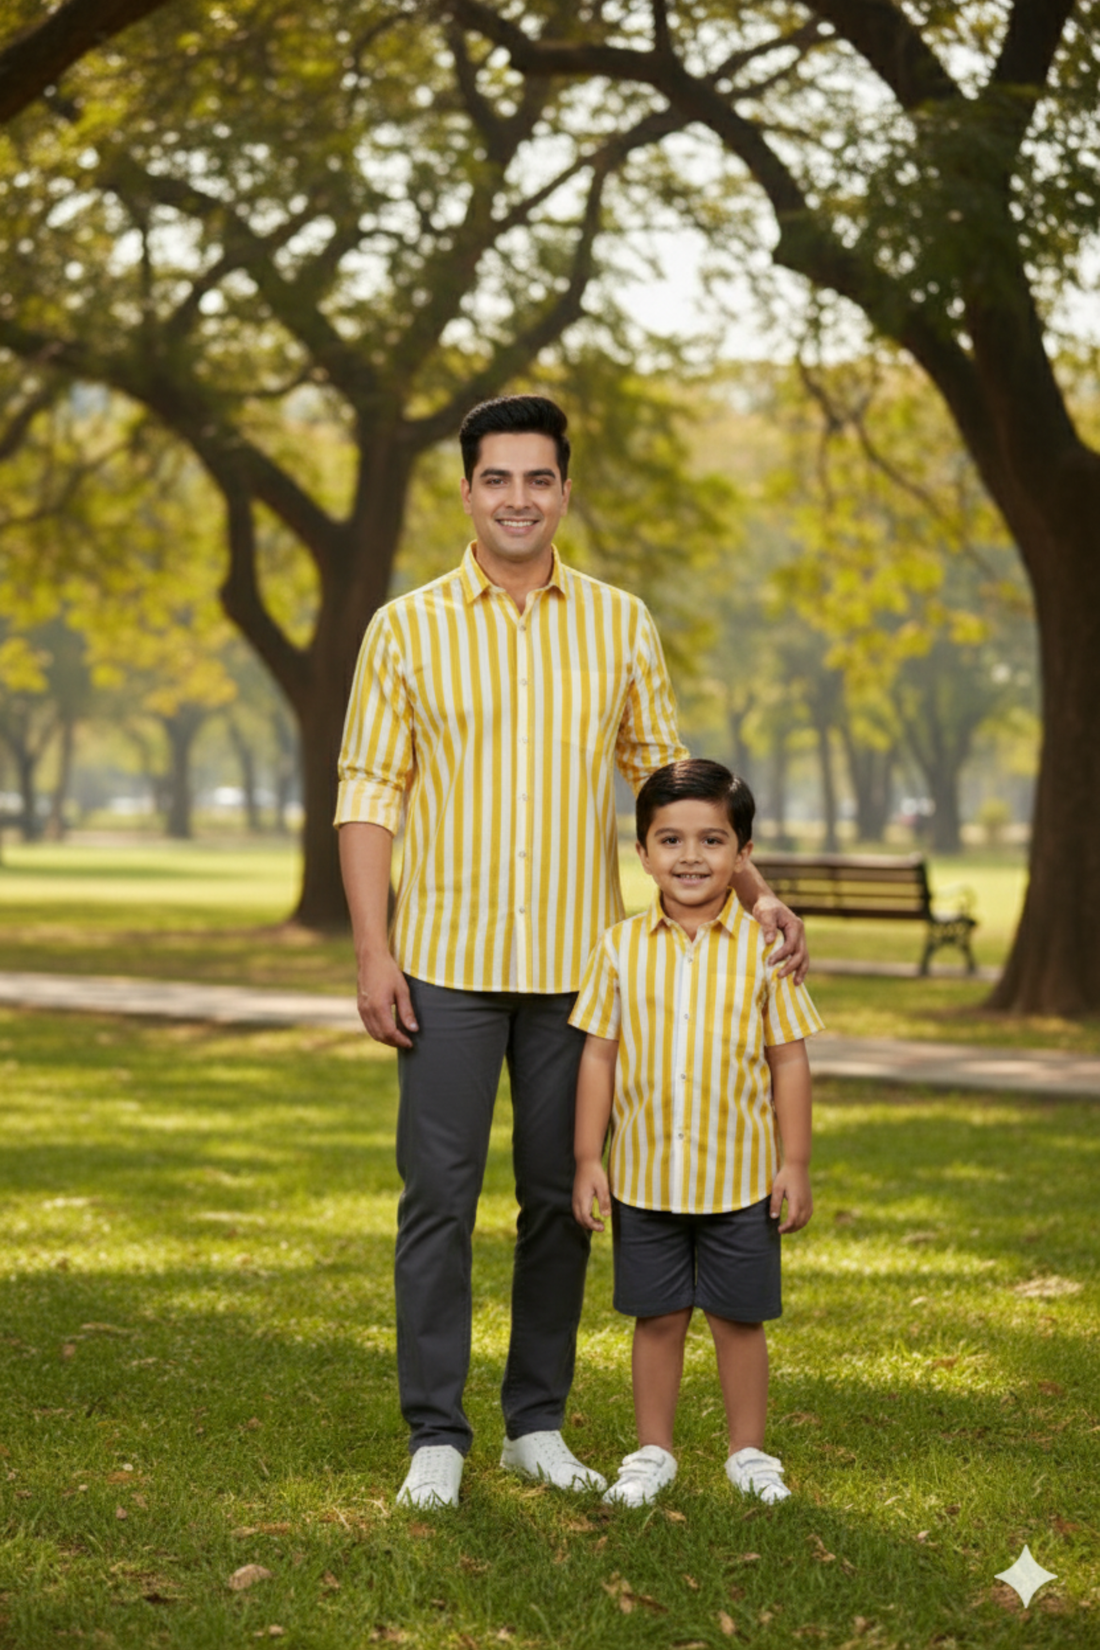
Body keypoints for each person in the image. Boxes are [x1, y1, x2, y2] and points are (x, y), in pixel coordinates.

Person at [335, 396, 808, 1509]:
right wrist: (372, 950)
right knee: (437, 1199)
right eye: (495, 479)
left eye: (536, 479)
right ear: (466, 492)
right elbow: (367, 793)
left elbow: (670, 783)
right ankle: (436, 1437)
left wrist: (757, 890)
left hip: (577, 978)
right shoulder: (403, 628)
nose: (516, 499)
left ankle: (532, 1423)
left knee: (559, 1198)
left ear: (561, 490)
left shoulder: (616, 622)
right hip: (443, 963)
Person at [570, 758, 822, 1507]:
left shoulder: (765, 953)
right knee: (659, 1317)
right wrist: (590, 1156)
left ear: (743, 855)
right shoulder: (617, 949)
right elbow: (598, 1056)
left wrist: (796, 1163)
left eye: (712, 840)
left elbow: (790, 1062)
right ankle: (653, 1451)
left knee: (740, 1320)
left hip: (741, 1183)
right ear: (642, 852)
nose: (690, 857)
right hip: (645, 1181)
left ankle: (749, 1453)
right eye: (669, 839)